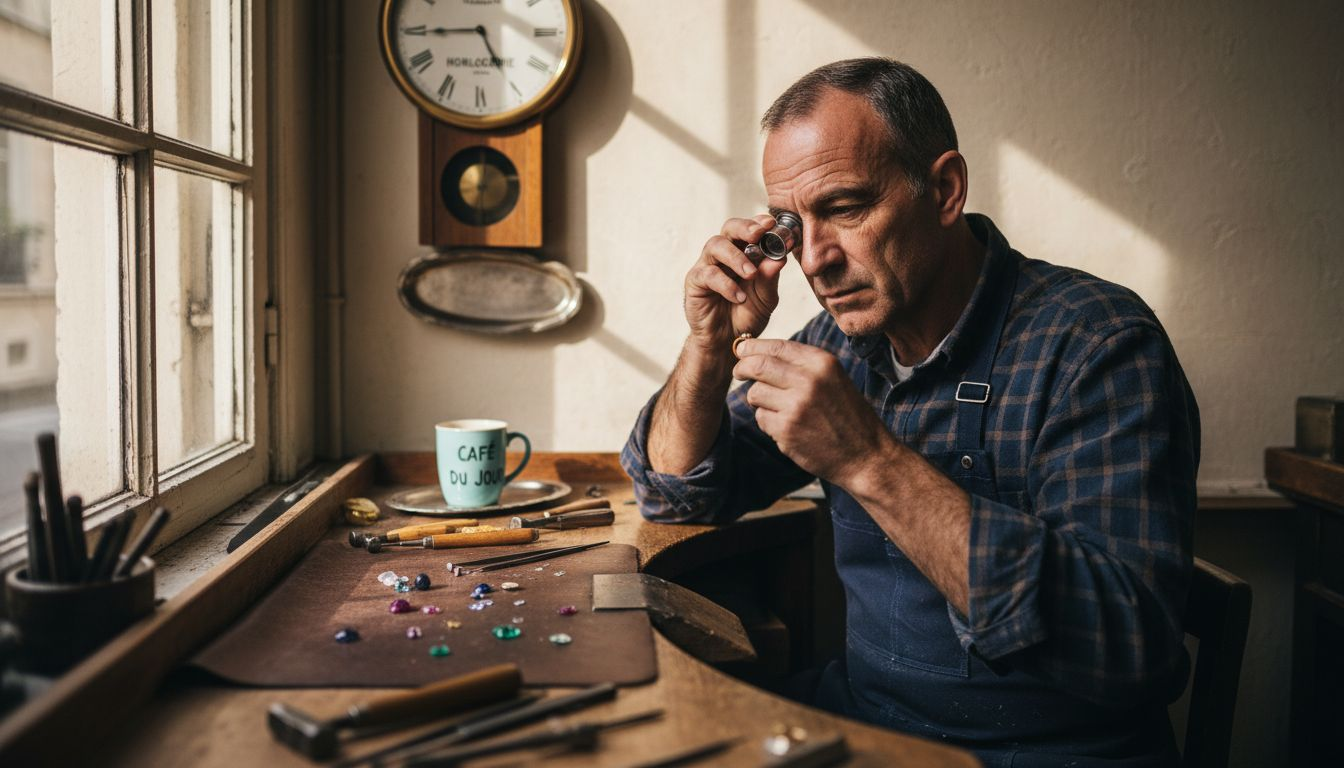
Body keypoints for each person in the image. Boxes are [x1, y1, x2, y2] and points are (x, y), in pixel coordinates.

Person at [621, 58, 1200, 767]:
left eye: (844, 207)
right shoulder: (840, 343)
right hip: (870, 719)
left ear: (945, 189)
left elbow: (1128, 649)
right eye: (792, 226)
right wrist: (708, 346)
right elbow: (676, 492)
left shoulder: (1095, 344)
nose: (816, 260)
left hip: (1051, 751)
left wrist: (868, 460)